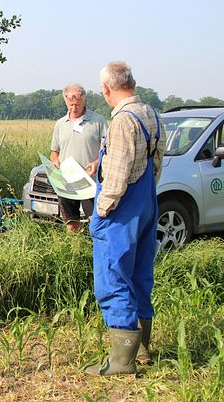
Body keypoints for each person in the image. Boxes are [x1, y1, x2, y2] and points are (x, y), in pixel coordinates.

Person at [85, 61, 165, 376]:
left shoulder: (120, 121)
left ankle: (121, 362)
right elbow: (155, 163)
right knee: (140, 274)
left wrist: (101, 211)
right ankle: (142, 349)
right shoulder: (152, 114)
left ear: (107, 89)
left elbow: (116, 176)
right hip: (146, 201)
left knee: (114, 276)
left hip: (122, 207)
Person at [50, 84, 108, 232]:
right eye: (70, 105)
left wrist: (96, 162)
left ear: (84, 101)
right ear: (65, 101)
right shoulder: (60, 124)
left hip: (90, 182)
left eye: (77, 104)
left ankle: (95, 249)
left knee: (95, 222)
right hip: (67, 182)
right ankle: (75, 249)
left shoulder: (98, 121)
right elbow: (54, 151)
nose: (74, 108)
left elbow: (109, 149)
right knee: (71, 221)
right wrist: (55, 161)